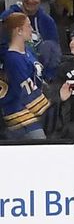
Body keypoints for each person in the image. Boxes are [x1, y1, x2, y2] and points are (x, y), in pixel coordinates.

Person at [0, 12, 49, 140]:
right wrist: (55, 98)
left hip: (32, 114)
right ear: (19, 31)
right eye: (28, 25)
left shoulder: (27, 51)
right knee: (41, 144)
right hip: (20, 116)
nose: (32, 29)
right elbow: (26, 91)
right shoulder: (13, 59)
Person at [0, 0, 61, 80]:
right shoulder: (9, 16)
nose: (31, 0)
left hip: (39, 73)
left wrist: (48, 78)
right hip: (12, 70)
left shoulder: (47, 21)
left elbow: (54, 51)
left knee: (49, 46)